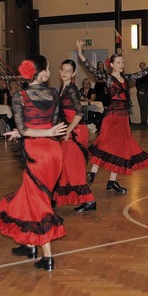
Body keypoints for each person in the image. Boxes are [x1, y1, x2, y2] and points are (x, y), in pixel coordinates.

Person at [0, 56, 68, 271]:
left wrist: (37, 132)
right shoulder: (53, 93)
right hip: (53, 151)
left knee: (38, 201)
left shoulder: (19, 95)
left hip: (37, 151)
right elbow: (44, 123)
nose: (50, 71)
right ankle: (30, 244)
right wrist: (44, 132)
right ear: (42, 73)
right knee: (32, 195)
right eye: (49, 68)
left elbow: (26, 129)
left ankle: (48, 256)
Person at [76, 41, 148, 194]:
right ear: (113, 65)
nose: (122, 64)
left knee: (120, 148)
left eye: (123, 62)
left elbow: (142, 73)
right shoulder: (109, 78)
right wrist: (80, 53)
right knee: (104, 141)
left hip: (123, 118)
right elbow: (91, 69)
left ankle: (112, 181)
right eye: (119, 62)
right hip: (112, 116)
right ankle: (93, 172)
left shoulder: (126, 78)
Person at [52, 59, 96, 213]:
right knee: (63, 165)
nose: (65, 73)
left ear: (74, 73)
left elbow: (79, 113)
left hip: (75, 131)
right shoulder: (63, 87)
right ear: (59, 70)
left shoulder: (71, 89)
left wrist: (69, 131)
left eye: (68, 71)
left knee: (73, 168)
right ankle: (56, 197)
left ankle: (89, 200)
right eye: (63, 69)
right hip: (69, 130)